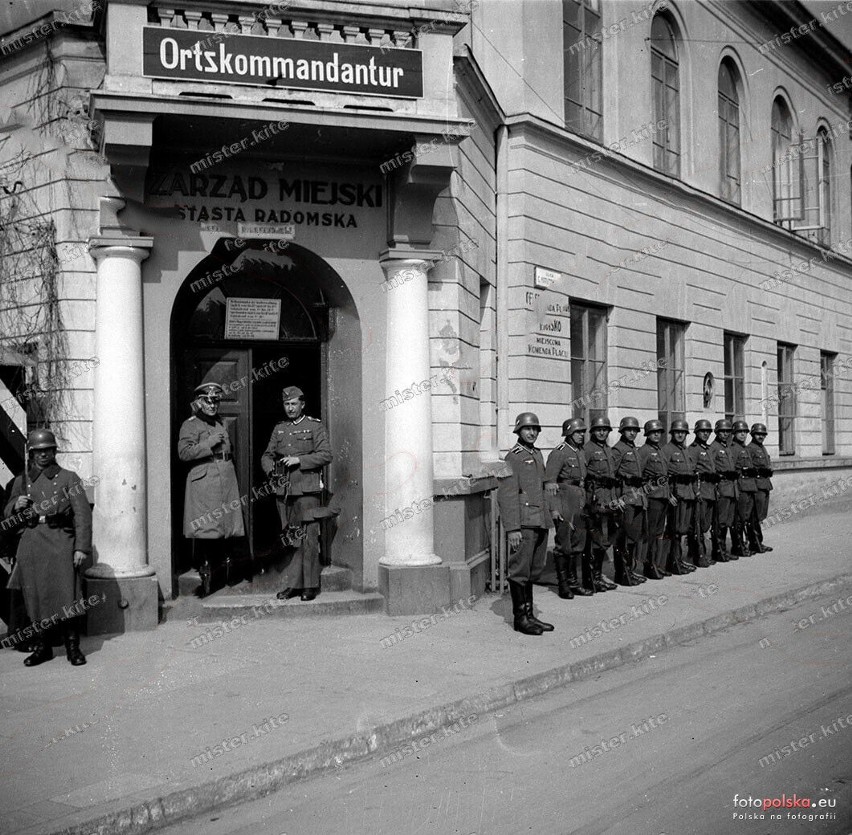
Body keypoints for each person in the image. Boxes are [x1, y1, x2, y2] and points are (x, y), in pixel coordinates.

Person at [2, 429, 92, 667]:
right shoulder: (22, 481)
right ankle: (43, 648)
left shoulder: (69, 478)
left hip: (61, 543)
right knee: (35, 599)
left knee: (66, 597)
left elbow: (82, 516)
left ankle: (73, 648)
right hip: (31, 546)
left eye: (47, 450)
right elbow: (7, 510)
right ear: (31, 454)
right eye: (38, 451)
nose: (43, 455)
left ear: (54, 451)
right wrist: (15, 505)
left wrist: (81, 548)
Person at [262, 386, 333, 602]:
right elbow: (267, 455)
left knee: (309, 536)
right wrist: (272, 470)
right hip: (285, 491)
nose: (290, 408)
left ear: (302, 404)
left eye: (294, 404)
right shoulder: (279, 429)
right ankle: (293, 585)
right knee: (292, 538)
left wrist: (299, 460)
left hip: (307, 489)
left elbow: (326, 455)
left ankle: (309, 585)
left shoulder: (314, 426)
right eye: (286, 404)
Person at [178, 382, 245, 597]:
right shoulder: (190, 425)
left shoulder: (221, 423)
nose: (212, 404)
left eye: (216, 400)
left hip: (225, 476)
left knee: (225, 527)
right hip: (205, 481)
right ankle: (207, 580)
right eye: (208, 400)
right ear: (198, 402)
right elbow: (184, 453)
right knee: (207, 528)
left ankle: (226, 575)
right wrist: (208, 443)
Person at [497, 412, 554, 635]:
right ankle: (520, 618)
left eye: (535, 429)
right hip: (523, 523)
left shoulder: (537, 454)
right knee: (520, 571)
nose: (531, 433)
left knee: (532, 570)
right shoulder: (514, 457)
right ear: (518, 431)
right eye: (527, 429)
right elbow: (507, 495)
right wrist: (513, 529)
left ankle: (530, 615)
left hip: (539, 520)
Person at [544, 418, 592, 600]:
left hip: (579, 501)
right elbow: (550, 484)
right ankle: (563, 584)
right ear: (569, 434)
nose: (581, 435)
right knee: (564, 544)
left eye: (582, 432)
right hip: (564, 502)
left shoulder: (580, 452)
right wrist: (554, 509)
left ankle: (574, 582)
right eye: (577, 432)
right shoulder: (559, 453)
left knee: (578, 543)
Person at [583, 416, 620, 592]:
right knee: (595, 540)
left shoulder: (608, 449)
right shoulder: (587, 450)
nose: (602, 432)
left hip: (609, 500)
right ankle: (592, 578)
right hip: (596, 500)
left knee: (606, 538)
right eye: (598, 429)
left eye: (605, 429)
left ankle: (597, 576)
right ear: (592, 431)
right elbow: (582, 477)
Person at [611, 416, 647, 586]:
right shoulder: (618, 450)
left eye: (634, 430)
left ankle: (629, 570)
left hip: (637, 497)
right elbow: (613, 476)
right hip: (626, 498)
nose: (632, 433)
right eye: (629, 430)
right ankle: (622, 573)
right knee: (623, 537)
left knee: (633, 536)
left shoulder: (634, 449)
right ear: (622, 431)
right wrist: (617, 498)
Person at [662, 419, 697, 574]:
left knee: (682, 529)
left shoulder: (686, 450)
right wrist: (667, 494)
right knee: (674, 529)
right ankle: (672, 562)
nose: (680, 435)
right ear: (672, 433)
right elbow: (662, 476)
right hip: (676, 495)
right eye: (677, 432)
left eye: (683, 432)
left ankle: (679, 559)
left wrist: (695, 492)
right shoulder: (666, 450)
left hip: (687, 494)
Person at [637, 420, 669, 580]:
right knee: (650, 533)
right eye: (653, 432)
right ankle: (648, 565)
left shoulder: (660, 451)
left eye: (659, 432)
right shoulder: (644, 451)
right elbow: (639, 476)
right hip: (652, 498)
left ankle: (656, 563)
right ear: (647, 434)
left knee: (658, 533)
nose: (657, 434)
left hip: (663, 497)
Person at [687, 419, 718, 568]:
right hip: (701, 490)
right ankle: (700, 556)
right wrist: (695, 491)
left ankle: (695, 552)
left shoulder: (709, 449)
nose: (705, 434)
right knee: (698, 526)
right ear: (697, 432)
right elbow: (691, 472)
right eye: (702, 431)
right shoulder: (693, 449)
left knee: (705, 524)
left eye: (708, 431)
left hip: (710, 490)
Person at [709, 419, 737, 562]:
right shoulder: (714, 447)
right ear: (717, 432)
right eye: (722, 431)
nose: (725, 434)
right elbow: (711, 469)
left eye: (728, 431)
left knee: (727, 521)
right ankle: (718, 551)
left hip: (731, 488)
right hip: (722, 488)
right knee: (719, 521)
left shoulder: (727, 447)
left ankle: (723, 550)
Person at [730, 419, 755, 557]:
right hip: (740, 486)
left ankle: (743, 544)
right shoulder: (733, 448)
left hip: (749, 486)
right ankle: (738, 546)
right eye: (740, 432)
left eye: (745, 432)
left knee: (745, 517)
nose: (743, 434)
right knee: (738, 519)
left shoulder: (745, 448)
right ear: (734, 433)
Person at [748, 423, 774, 553]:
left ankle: (758, 542)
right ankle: (755, 543)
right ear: (753, 434)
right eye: (758, 434)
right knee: (755, 516)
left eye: (763, 435)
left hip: (765, 485)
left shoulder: (762, 448)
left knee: (761, 515)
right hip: (757, 485)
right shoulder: (750, 449)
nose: (761, 436)